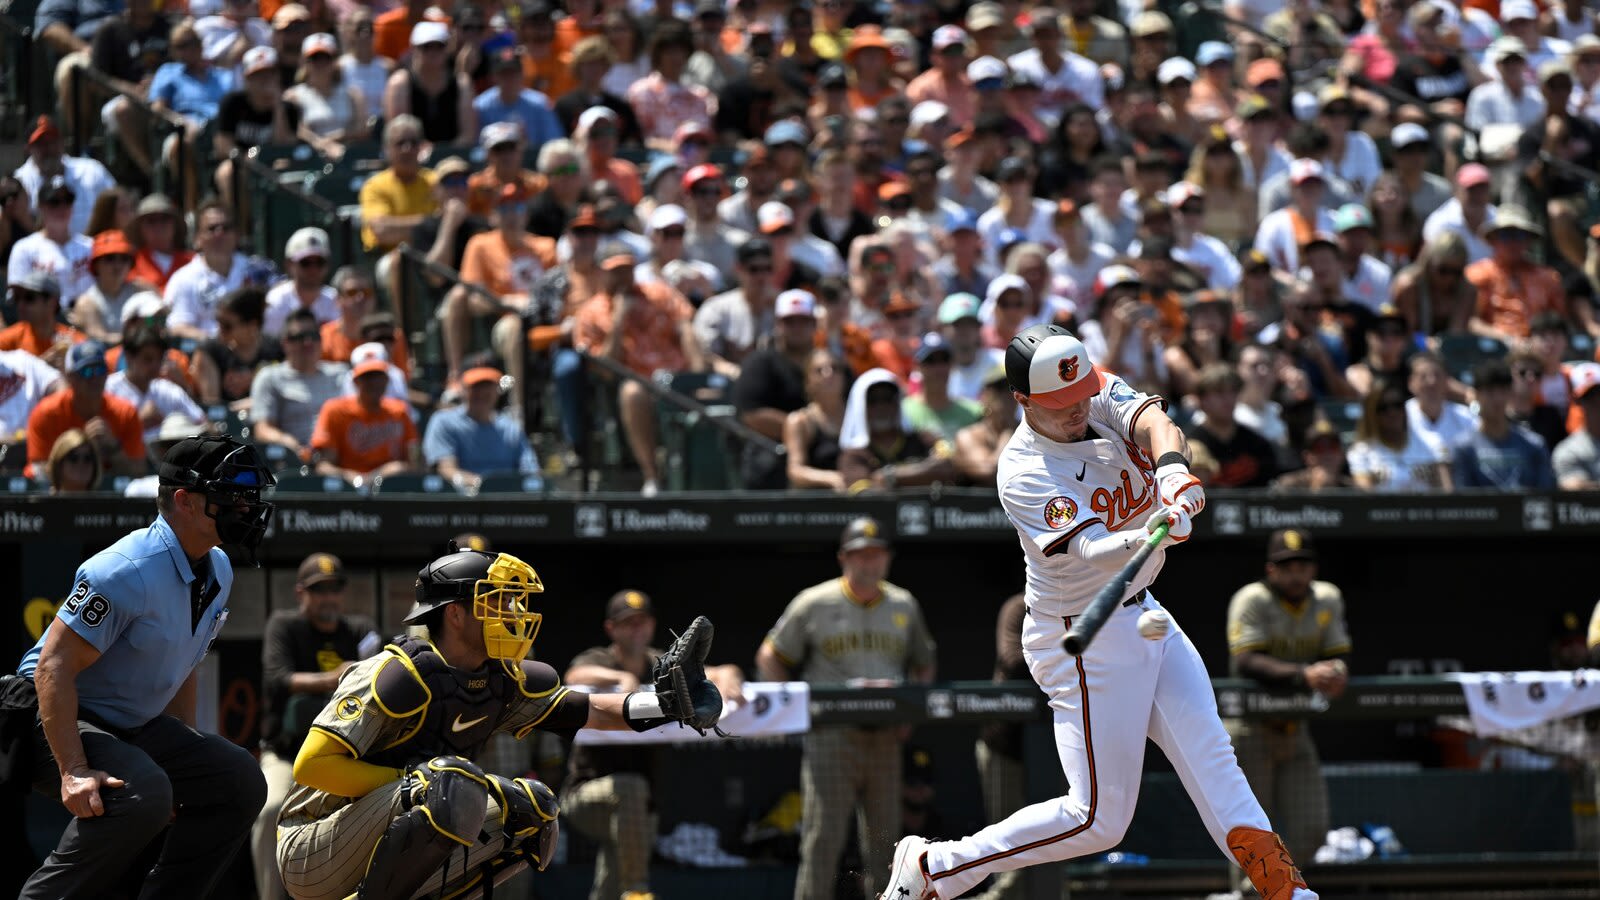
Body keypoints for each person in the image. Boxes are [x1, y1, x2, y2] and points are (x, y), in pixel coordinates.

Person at [879, 324, 1319, 900]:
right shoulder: (1023, 471)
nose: (1077, 409)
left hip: (1144, 612)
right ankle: (938, 867)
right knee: (1098, 820)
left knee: (1216, 763)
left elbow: (1158, 424)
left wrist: (1170, 470)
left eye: (1082, 394)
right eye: (1060, 405)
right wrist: (1159, 530)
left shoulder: (1091, 393)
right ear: (1022, 401)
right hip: (1082, 635)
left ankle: (1290, 894)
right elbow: (1096, 551)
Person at [273, 546, 724, 900]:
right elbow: (311, 766)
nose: (511, 613)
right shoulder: (395, 674)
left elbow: (588, 711)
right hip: (314, 844)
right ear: (454, 613)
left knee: (533, 810)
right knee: (449, 783)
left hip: (391, 829)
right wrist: (413, 780)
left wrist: (664, 704)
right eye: (496, 602)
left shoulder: (498, 678)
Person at [10, 435, 273, 898]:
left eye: (249, 497)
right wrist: (72, 770)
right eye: (231, 496)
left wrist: (188, 758)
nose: (246, 508)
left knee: (238, 780)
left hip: (131, 724)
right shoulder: (125, 569)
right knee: (144, 792)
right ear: (184, 501)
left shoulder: (218, 568)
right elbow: (52, 669)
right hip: (49, 718)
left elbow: (182, 664)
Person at [756, 516, 937, 900]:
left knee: (885, 848)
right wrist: (792, 710)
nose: (869, 563)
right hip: (832, 739)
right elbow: (771, 656)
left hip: (885, 739)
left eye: (876, 555)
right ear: (844, 558)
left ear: (887, 558)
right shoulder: (815, 602)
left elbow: (924, 662)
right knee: (822, 842)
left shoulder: (904, 603)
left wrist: (910, 716)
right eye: (860, 555)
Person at [563, 589, 745, 900]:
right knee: (631, 791)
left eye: (642, 622)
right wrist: (618, 679)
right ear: (611, 628)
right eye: (627, 623)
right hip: (584, 797)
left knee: (612, 879)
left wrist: (729, 675)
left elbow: (721, 670)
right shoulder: (601, 658)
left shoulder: (661, 664)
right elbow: (574, 673)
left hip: (639, 806)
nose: (636, 629)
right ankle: (638, 892)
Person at [1224, 528, 1351, 876]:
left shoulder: (1327, 597)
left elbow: (1338, 653)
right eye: (1287, 566)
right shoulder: (1252, 599)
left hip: (1295, 728)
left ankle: (1278, 889)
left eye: (1303, 565)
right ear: (1271, 570)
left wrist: (1335, 671)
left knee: (1311, 828)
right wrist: (1304, 674)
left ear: (1314, 568)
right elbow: (1245, 661)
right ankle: (1248, 894)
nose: (1296, 573)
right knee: (1252, 830)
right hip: (1250, 728)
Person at [252, 553, 378, 900]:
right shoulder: (285, 625)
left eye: (334, 589)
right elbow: (278, 678)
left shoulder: (359, 630)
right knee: (271, 809)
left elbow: (380, 675)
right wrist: (335, 678)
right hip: (287, 755)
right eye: (319, 590)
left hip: (343, 757)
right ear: (301, 593)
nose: (328, 598)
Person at [572, 244, 707, 496]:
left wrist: (698, 376)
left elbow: (686, 329)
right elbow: (605, 370)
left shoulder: (659, 293)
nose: (624, 276)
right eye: (616, 271)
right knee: (633, 392)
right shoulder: (591, 312)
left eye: (627, 269)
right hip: (637, 384)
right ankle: (652, 477)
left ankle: (709, 477)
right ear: (601, 273)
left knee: (717, 388)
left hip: (677, 377)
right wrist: (619, 321)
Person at [732, 289, 821, 489]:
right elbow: (751, 415)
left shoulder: (828, 365)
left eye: (803, 321)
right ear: (777, 324)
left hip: (825, 453)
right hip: (773, 452)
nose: (797, 328)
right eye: (789, 321)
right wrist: (807, 431)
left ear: (814, 324)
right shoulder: (760, 363)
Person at [27, 341, 146, 479]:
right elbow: (38, 471)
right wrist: (79, 445)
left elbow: (139, 471)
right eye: (87, 371)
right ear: (70, 377)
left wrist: (113, 447)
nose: (95, 378)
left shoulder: (125, 413)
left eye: (100, 370)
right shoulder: (46, 413)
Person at [422, 365, 541, 492]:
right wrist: (484, 486)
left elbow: (531, 472)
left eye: (488, 387)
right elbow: (446, 469)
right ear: (463, 390)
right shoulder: (444, 422)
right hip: (462, 502)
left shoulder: (511, 428)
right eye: (475, 387)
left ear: (497, 391)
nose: (482, 393)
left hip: (509, 502)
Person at [311, 357, 419, 482]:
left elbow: (415, 462)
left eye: (379, 377)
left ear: (387, 380)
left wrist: (394, 470)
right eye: (368, 377)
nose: (374, 383)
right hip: (347, 489)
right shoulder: (335, 410)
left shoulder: (399, 411)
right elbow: (324, 466)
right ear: (356, 381)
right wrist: (355, 479)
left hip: (390, 487)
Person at [1453, 359, 1555, 489]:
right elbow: (1464, 502)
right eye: (1490, 392)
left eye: (1503, 391)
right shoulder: (1464, 448)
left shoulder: (1534, 445)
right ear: (1476, 395)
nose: (1497, 399)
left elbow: (1544, 497)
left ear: (1510, 393)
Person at [165, 201, 251, 343]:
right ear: (197, 239)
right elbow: (178, 327)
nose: (220, 233)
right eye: (212, 228)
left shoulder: (256, 269)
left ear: (237, 235)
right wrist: (218, 341)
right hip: (208, 354)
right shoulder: (184, 279)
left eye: (226, 228)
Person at [1185, 362, 1280, 488]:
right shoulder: (1187, 444)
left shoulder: (1256, 444)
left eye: (1233, 391)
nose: (1228, 398)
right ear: (1202, 399)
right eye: (1219, 392)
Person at [105, 325, 205, 445]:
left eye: (159, 359)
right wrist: (138, 422)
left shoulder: (168, 389)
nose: (155, 365)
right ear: (128, 356)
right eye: (148, 359)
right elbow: (103, 441)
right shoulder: (108, 388)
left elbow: (204, 424)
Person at [1347, 379, 1451, 491]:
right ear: (1372, 414)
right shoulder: (1361, 452)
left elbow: (1446, 492)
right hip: (1383, 507)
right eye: (1383, 408)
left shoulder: (1432, 442)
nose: (1392, 413)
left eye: (1397, 405)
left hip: (1424, 508)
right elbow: (1365, 497)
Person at [7, 176, 94, 305]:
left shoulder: (90, 246)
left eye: (67, 200)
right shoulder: (24, 249)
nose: (62, 207)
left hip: (87, 319)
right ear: (40, 207)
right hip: (44, 321)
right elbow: (17, 298)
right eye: (54, 202)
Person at [264, 228, 339, 337]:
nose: (313, 269)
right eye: (305, 263)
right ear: (289, 264)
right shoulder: (276, 302)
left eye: (320, 262)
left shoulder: (337, 301)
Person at [1, 272, 84, 365]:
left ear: (52, 302)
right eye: (17, 297)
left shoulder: (73, 341)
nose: (21, 304)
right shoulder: (9, 339)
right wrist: (43, 364)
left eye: (29, 298)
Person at [1554, 364, 1600, 489]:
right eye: (1590, 399)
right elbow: (1573, 489)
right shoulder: (1569, 449)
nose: (1598, 404)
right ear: (1578, 402)